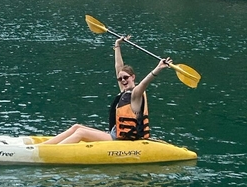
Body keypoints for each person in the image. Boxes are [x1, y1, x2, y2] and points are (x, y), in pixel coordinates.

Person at [43, 36, 172, 144]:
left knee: (81, 133)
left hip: (122, 140)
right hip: (115, 133)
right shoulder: (124, 90)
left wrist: (158, 68)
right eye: (120, 79)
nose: (122, 80)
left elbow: (144, 83)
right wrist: (117, 45)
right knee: (76, 126)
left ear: (133, 77)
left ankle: (52, 152)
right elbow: (118, 66)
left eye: (125, 78)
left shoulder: (136, 94)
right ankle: (43, 146)